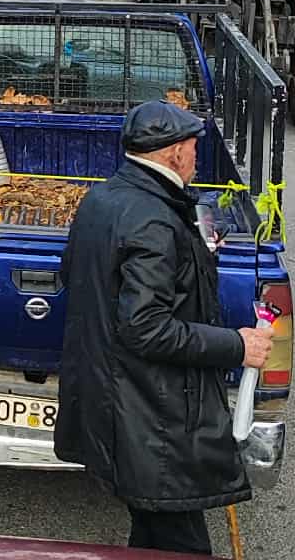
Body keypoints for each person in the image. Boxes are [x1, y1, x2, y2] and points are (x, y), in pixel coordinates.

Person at [55, 99, 273, 555]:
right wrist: (236, 345)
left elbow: (72, 273)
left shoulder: (103, 198)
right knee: (182, 542)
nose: (197, 157)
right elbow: (145, 327)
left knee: (151, 533)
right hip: (151, 420)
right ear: (173, 152)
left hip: (118, 405)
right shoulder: (154, 220)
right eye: (194, 148)